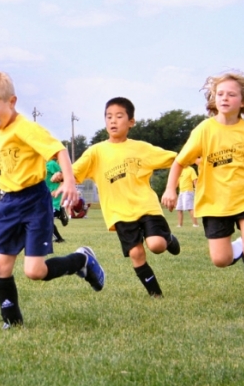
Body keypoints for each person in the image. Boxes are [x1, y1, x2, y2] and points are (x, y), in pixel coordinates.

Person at [0, 71, 105, 329]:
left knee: (34, 271)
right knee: (1, 267)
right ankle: (12, 321)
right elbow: (10, 164)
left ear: (11, 102)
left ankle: (82, 260)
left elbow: (58, 150)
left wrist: (69, 181)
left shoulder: (25, 128)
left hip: (34, 203)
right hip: (9, 204)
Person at [162, 71, 244, 311]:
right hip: (214, 202)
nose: (224, 98)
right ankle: (241, 245)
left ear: (243, 101)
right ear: (214, 99)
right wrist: (170, 190)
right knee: (221, 260)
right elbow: (179, 162)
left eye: (231, 94)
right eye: (220, 94)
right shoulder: (204, 130)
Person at [72, 97, 180, 299]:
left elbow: (176, 159)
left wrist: (197, 158)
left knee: (156, 245)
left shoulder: (141, 148)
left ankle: (169, 238)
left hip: (146, 206)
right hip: (119, 212)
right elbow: (75, 171)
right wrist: (63, 175)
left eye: (119, 116)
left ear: (131, 121)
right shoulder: (96, 152)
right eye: (109, 116)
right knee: (136, 254)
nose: (113, 121)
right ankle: (156, 295)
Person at [46, 159, 69, 243]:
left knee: (46, 219)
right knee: (45, 219)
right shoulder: (38, 165)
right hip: (44, 196)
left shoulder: (51, 164)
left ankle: (59, 238)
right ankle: (60, 213)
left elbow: (64, 177)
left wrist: (58, 190)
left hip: (54, 196)